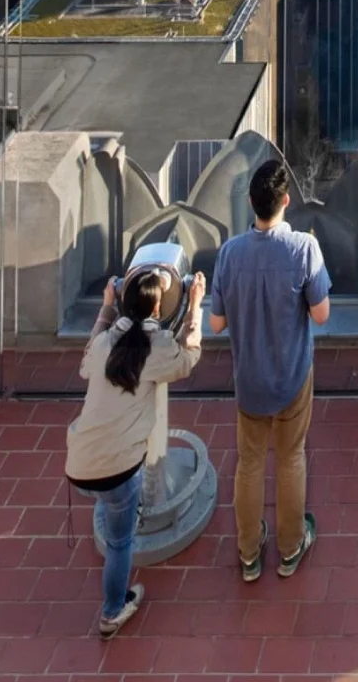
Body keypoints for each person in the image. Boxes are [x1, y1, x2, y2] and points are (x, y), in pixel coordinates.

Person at [65, 262, 208, 638]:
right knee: (121, 542)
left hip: (80, 462)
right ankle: (113, 610)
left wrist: (105, 308)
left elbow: (85, 363)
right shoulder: (156, 348)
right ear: (157, 310)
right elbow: (188, 360)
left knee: (112, 506)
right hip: (119, 468)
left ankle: (115, 509)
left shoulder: (105, 343)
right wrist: (195, 307)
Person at [208, 158, 331, 583]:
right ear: (286, 200)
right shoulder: (303, 248)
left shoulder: (229, 253)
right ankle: (291, 545)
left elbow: (217, 323)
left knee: (249, 463)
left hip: (249, 379)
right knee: (291, 457)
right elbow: (321, 314)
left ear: (250, 203)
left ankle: (248, 552)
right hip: (292, 375)